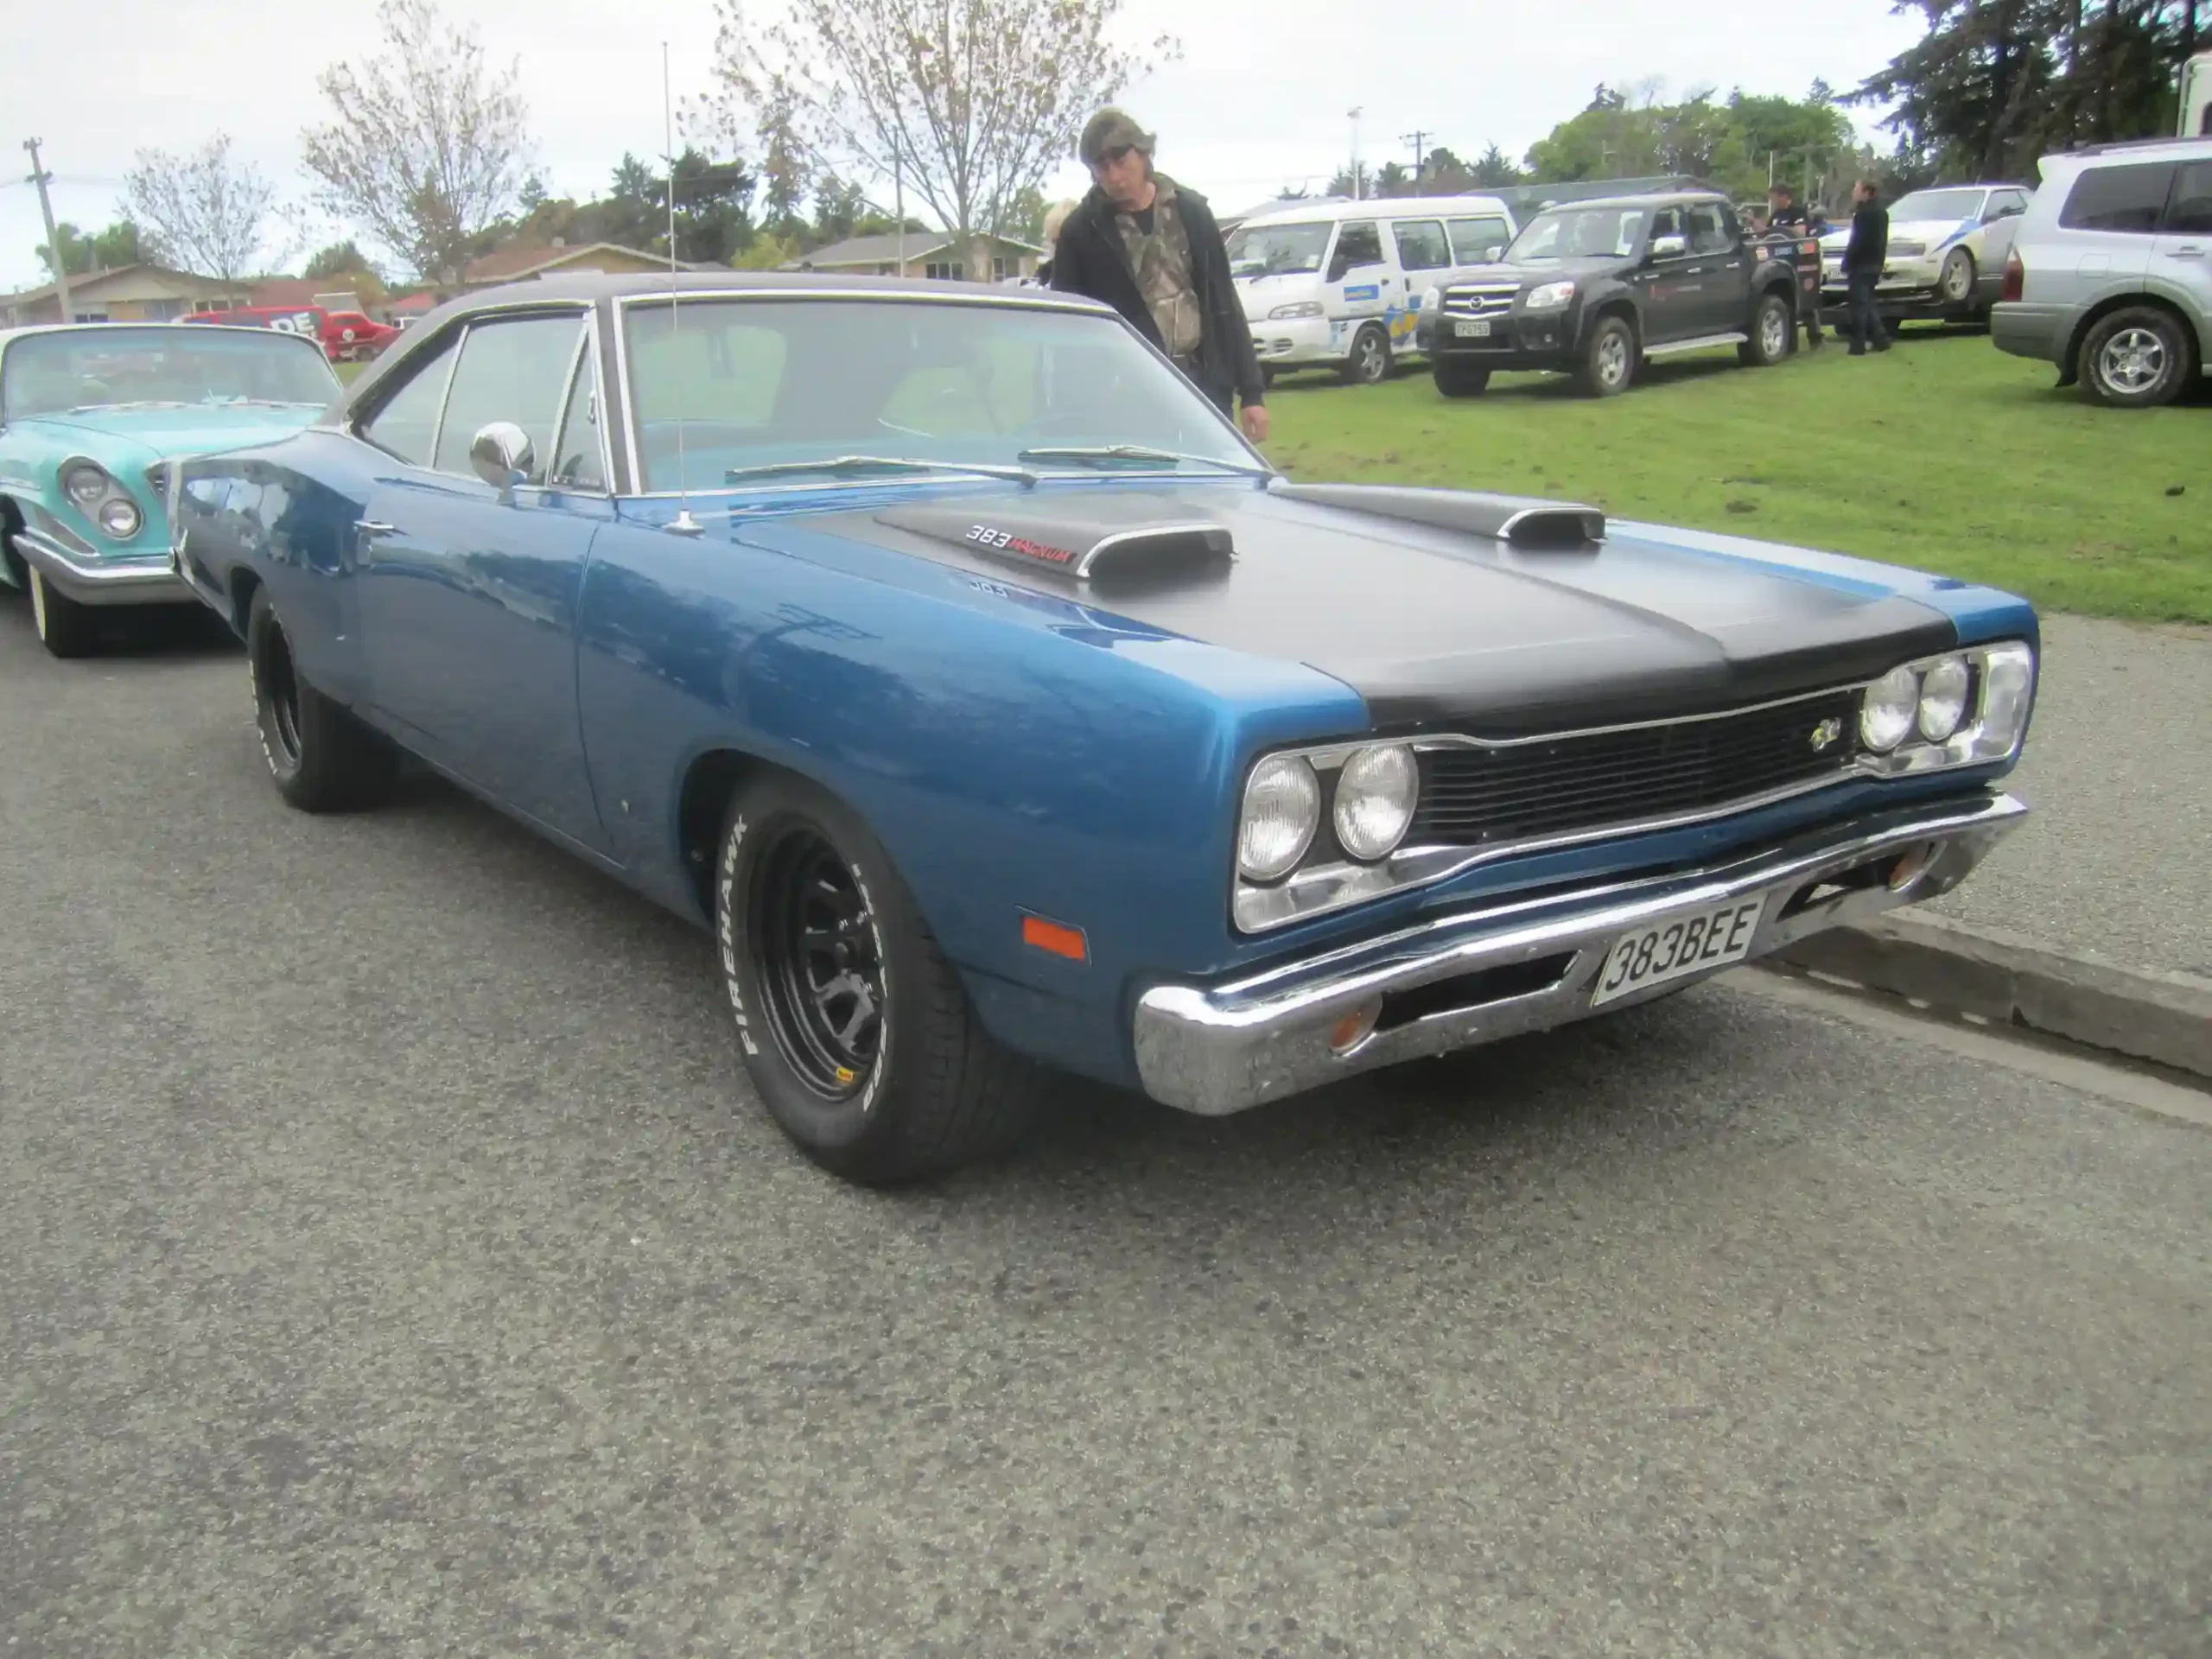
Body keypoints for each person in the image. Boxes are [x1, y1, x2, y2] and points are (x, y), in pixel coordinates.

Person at [1049, 107, 1269, 444]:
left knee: (1213, 492)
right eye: (1102, 168)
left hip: (1204, 385)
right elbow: (1065, 328)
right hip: (1126, 397)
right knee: (1146, 496)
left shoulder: (1192, 213)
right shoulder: (1081, 233)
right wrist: (1069, 408)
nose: (1115, 177)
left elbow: (1224, 301)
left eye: (1122, 162)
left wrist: (1252, 393)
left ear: (1144, 153)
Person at [1764, 183, 1826, 349]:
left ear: (1784, 196)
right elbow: (1766, 233)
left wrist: (1782, 229)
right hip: (1780, 261)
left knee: (1807, 298)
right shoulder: (1776, 214)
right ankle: (1791, 342)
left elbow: (1800, 232)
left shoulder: (1798, 212)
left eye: (1775, 197)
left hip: (1800, 260)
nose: (1773, 200)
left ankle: (1816, 336)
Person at [1842, 179, 1892, 356]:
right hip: (1875, 263)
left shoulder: (1864, 214)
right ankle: (1881, 339)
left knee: (1858, 306)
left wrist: (1847, 260)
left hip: (1861, 264)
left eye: (1856, 189)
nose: (1853, 193)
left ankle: (1858, 344)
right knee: (1868, 303)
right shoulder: (1882, 212)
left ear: (1867, 192)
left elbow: (1858, 241)